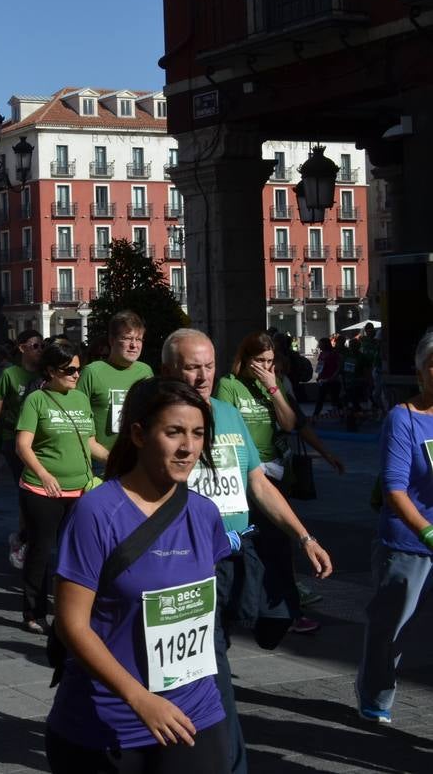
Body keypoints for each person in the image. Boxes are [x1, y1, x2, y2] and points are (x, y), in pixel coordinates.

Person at [162, 327, 333, 774]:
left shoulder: (227, 413)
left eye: (208, 365)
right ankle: (228, 760)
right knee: (214, 666)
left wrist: (304, 536)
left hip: (241, 553)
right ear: (171, 369)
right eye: (191, 366)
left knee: (274, 618)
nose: (202, 375)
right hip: (190, 562)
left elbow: (256, 482)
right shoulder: (160, 419)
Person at [46, 378, 231, 772]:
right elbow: (70, 623)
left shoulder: (205, 513)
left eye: (198, 434)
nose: (188, 447)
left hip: (194, 718)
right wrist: (139, 697)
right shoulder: (96, 513)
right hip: (107, 726)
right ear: (138, 434)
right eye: (174, 432)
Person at [215, 331, 325, 634]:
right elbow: (225, 427)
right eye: (259, 361)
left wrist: (273, 388)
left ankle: (284, 608)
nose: (265, 366)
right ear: (246, 360)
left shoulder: (273, 385)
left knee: (278, 542)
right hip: (246, 474)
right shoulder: (229, 386)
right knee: (254, 543)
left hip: (276, 473)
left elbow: (290, 423)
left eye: (270, 361)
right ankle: (250, 604)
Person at [355, 330, 433, 724]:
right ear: (421, 372)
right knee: (391, 630)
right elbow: (394, 489)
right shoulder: (404, 419)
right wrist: (427, 532)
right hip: (409, 544)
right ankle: (375, 694)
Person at [14, 338, 108, 634]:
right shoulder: (36, 400)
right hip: (42, 491)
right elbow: (22, 445)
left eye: (78, 369)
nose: (76, 375)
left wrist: (118, 458)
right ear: (51, 371)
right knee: (41, 550)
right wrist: (43, 474)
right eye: (69, 370)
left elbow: (90, 443)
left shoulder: (80, 399)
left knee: (77, 552)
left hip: (81, 490)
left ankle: (72, 610)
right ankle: (34, 611)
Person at [0, 329, 45, 569]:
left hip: (41, 441)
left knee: (35, 493)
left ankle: (23, 536)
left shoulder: (46, 373)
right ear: (21, 348)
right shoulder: (10, 374)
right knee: (28, 490)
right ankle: (24, 539)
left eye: (41, 346)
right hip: (13, 439)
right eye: (35, 346)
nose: (40, 350)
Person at [77, 310, 154, 456]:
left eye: (138, 339)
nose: (134, 345)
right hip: (99, 462)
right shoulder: (92, 372)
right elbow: (78, 423)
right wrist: (108, 459)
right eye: (127, 338)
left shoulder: (146, 372)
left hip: (137, 460)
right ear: (112, 340)